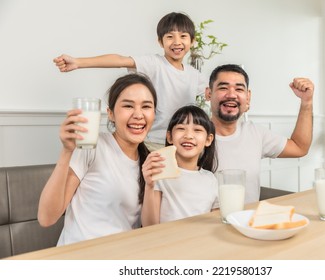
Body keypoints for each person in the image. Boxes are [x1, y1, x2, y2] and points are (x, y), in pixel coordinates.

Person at [53, 12, 207, 151]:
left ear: (192, 41)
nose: (177, 41)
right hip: (153, 142)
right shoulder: (154, 64)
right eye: (170, 36)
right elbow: (120, 60)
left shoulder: (195, 75)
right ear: (160, 42)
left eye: (183, 36)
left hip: (181, 144)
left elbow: (213, 95)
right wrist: (78, 62)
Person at [37, 73, 157, 246]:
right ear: (111, 114)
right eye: (128, 106)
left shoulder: (150, 161)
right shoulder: (92, 145)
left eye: (146, 106)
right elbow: (46, 218)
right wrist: (66, 151)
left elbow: (151, 228)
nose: (138, 115)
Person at [205, 64, 314, 204]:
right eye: (223, 87)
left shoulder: (256, 134)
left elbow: (300, 147)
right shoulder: (193, 138)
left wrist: (307, 102)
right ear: (208, 94)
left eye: (239, 89)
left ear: (248, 97)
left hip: (248, 222)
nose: (231, 95)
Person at [141, 105, 218, 226]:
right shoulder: (160, 174)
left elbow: (216, 224)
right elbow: (149, 226)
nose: (188, 135)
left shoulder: (211, 179)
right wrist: (149, 186)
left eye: (197, 130)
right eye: (181, 128)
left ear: (208, 140)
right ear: (170, 137)